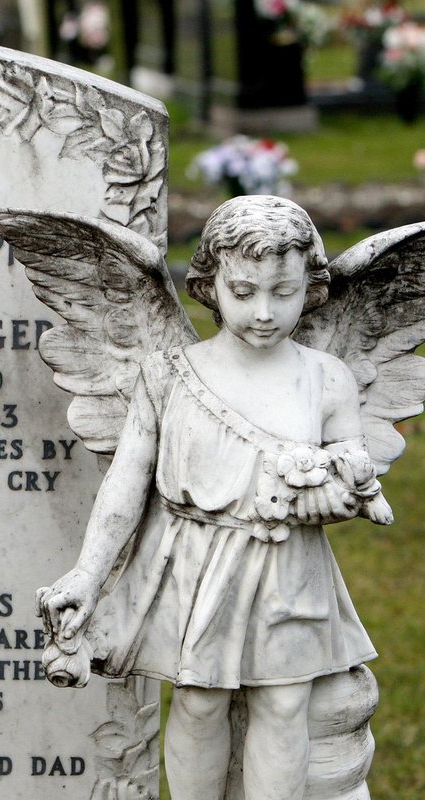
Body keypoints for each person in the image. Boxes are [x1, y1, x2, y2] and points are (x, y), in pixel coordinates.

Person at [37, 196, 389, 800]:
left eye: (284, 292)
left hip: (287, 568)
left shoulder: (326, 377)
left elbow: (351, 473)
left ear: (312, 286)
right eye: (244, 290)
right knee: (198, 704)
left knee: (284, 703)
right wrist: (87, 576)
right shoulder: (168, 375)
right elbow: (127, 482)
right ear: (208, 283)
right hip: (195, 565)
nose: (264, 311)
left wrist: (335, 492)